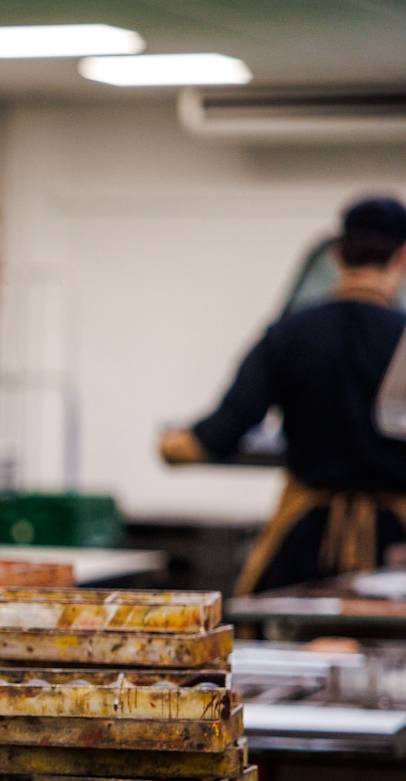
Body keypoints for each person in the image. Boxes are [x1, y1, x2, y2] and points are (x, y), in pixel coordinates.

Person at [162, 195, 406, 594]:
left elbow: (220, 431)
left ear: (336, 254)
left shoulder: (289, 335)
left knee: (279, 638)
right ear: (403, 257)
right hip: (396, 552)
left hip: (304, 548)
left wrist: (171, 446)